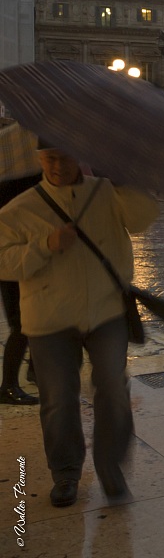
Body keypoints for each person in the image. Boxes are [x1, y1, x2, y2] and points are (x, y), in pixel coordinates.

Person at [0, 143, 159, 507]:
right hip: (49, 319)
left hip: (105, 313)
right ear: (39, 159)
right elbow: (3, 261)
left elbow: (142, 218)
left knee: (114, 391)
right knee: (58, 400)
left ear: (80, 156)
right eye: (50, 158)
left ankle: (110, 467)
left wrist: (125, 180)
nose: (58, 165)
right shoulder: (21, 208)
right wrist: (45, 244)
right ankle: (66, 473)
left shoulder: (105, 192)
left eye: (65, 156)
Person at [0, 172, 44, 406]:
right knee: (23, 323)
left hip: (22, 261)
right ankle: (8, 385)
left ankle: (35, 372)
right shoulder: (21, 186)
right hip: (13, 262)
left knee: (37, 317)